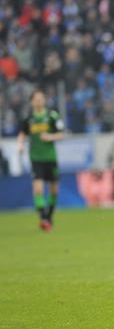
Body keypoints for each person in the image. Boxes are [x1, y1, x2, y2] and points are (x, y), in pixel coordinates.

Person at [17, 89, 65, 231]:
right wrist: (20, 144)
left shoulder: (52, 116)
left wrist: (50, 137)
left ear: (44, 100)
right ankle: (43, 217)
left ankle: (49, 216)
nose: (39, 101)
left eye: (41, 98)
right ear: (32, 102)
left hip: (50, 157)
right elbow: (22, 134)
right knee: (38, 189)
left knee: (54, 191)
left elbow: (61, 134)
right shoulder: (29, 119)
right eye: (36, 99)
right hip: (36, 158)